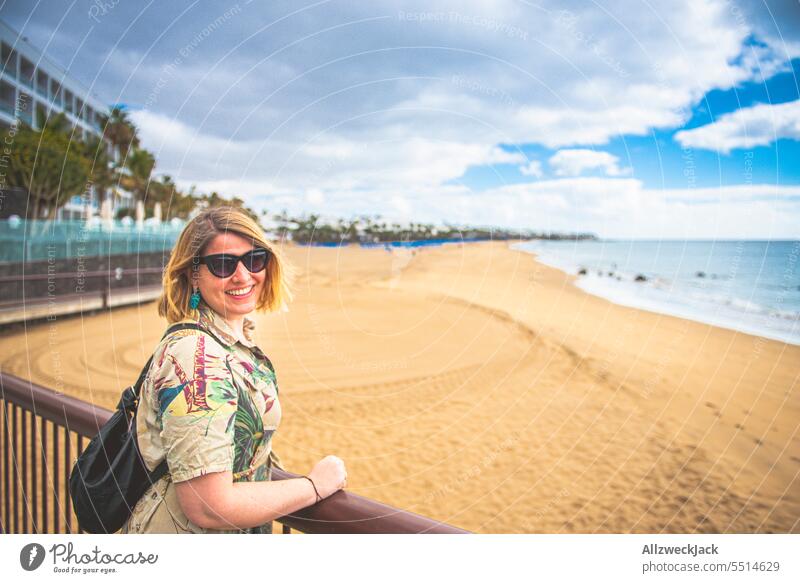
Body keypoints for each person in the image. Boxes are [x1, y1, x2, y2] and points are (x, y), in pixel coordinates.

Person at [122, 207, 347, 533]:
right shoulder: (196, 359)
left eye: (255, 259)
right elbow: (208, 506)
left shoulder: (227, 343)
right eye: (224, 264)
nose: (243, 275)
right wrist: (313, 486)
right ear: (193, 274)